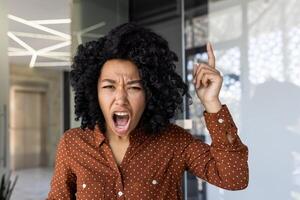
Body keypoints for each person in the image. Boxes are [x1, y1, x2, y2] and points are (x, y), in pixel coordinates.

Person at [47, 22, 248, 200]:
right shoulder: (73, 144)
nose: (121, 98)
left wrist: (212, 102)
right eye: (109, 87)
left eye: (134, 87)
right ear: (94, 92)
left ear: (150, 94)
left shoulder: (174, 141)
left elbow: (234, 178)